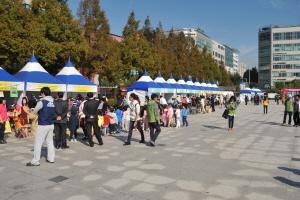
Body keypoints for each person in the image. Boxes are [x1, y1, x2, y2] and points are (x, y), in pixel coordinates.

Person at [27, 87, 56, 166]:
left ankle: (35, 161)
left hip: (43, 124)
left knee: (38, 143)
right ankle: (51, 158)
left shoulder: (42, 101)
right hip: (51, 124)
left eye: (41, 93)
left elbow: (35, 111)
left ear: (43, 93)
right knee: (50, 142)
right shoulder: (53, 102)